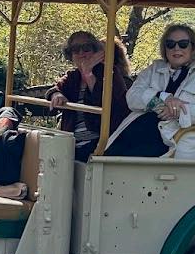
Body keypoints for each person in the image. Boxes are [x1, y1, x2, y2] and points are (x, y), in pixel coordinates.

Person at [105, 24, 195, 159]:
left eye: (183, 44)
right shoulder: (154, 68)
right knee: (102, 153)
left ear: (192, 47)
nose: (176, 48)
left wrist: (178, 110)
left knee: (119, 158)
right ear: (165, 48)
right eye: (170, 44)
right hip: (142, 131)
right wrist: (161, 99)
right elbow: (132, 97)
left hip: (177, 139)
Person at [47, 30, 132, 161]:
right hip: (70, 143)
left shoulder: (110, 73)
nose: (81, 53)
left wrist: (89, 75)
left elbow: (110, 106)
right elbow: (54, 89)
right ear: (71, 54)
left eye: (86, 48)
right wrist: (56, 94)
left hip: (101, 143)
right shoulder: (72, 77)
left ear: (95, 51)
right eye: (76, 50)